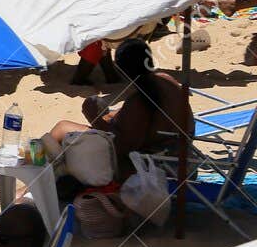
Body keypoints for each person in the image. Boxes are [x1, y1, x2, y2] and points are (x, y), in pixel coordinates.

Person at [43, 38, 189, 181]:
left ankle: (35, 181)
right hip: (180, 156)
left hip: (145, 167)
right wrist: (117, 115)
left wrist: (94, 118)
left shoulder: (138, 102)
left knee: (62, 128)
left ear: (122, 70)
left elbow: (119, 148)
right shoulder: (167, 80)